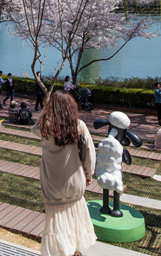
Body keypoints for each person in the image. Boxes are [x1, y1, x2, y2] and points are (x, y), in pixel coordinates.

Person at [32, 91, 96, 256]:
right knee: (75, 217)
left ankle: (61, 251)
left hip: (52, 184)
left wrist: (45, 110)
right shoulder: (78, 126)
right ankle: (74, 251)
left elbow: (34, 128)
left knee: (56, 222)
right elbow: (89, 153)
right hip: (74, 181)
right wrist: (88, 174)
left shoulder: (44, 127)